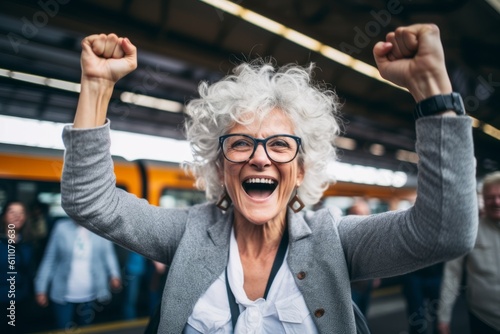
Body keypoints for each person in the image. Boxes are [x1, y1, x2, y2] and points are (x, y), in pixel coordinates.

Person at [60, 24, 478, 332]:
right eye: (240, 144)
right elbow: (90, 200)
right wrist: (96, 87)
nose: (260, 158)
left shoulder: (337, 241)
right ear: (220, 167)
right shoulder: (185, 233)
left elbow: (446, 231)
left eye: (280, 145)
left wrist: (433, 93)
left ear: (300, 169)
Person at [438, 171, 500, 334]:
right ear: (483, 200)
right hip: (482, 318)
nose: (496, 202)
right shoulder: (468, 231)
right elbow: (452, 274)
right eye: (490, 197)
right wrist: (443, 316)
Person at [35, 218, 122, 330]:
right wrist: (41, 288)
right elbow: (50, 258)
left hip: (91, 294)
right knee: (63, 329)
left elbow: (108, 255)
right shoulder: (61, 228)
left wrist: (114, 275)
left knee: (86, 329)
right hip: (63, 294)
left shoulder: (101, 228)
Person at [0, 200, 35, 334]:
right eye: (12, 212)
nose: (17, 216)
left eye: (21, 213)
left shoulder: (27, 242)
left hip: (21, 300)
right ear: (4, 216)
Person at [347, 199, 381, 317]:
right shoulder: (345, 233)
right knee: (351, 317)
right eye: (357, 212)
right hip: (351, 285)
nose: (361, 216)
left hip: (367, 283)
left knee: (363, 314)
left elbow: (375, 255)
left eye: (364, 212)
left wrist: (376, 276)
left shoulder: (370, 234)